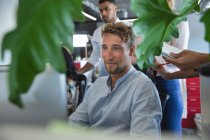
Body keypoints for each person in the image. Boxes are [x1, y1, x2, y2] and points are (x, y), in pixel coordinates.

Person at [69, 22, 162, 137]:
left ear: (131, 51)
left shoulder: (143, 88)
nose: (108, 55)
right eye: (104, 48)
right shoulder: (97, 84)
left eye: (116, 48)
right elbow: (74, 124)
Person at [152, 0, 190, 137]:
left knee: (170, 133)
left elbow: (179, 58)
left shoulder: (179, 20)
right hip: (151, 81)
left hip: (168, 80)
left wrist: (151, 54)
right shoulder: (153, 22)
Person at [77, 0, 131, 76]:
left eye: (107, 9)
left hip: (127, 78)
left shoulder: (128, 29)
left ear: (115, 9)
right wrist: (78, 72)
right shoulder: (97, 33)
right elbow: (94, 58)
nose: (103, 13)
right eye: (101, 10)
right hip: (106, 78)